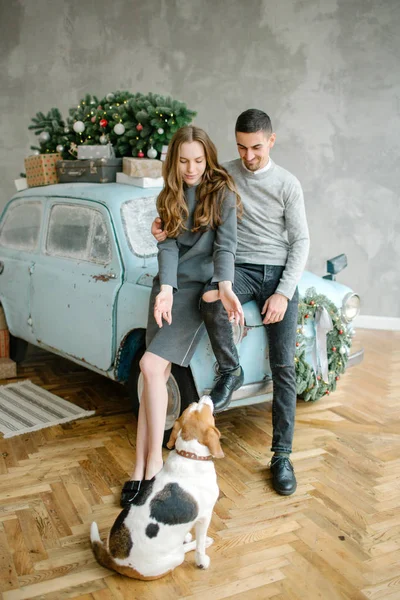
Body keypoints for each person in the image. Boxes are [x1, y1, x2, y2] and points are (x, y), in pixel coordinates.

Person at [153, 109, 310, 496]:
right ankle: (231, 370)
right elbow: (183, 196)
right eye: (241, 147)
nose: (249, 156)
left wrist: (283, 293)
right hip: (237, 268)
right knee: (210, 298)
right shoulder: (222, 174)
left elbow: (301, 242)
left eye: (256, 147)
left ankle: (281, 456)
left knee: (284, 367)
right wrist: (159, 228)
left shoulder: (288, 184)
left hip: (276, 273)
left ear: (271, 141)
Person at [120, 125, 242, 508]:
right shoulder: (168, 195)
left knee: (151, 367)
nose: (191, 169)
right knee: (154, 374)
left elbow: (226, 248)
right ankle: (140, 467)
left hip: (198, 292)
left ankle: (154, 462)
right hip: (169, 289)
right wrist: (165, 291)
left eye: (198, 160)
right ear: (174, 161)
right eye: (184, 161)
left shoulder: (221, 192)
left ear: (208, 158)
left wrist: (224, 287)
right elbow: (168, 248)